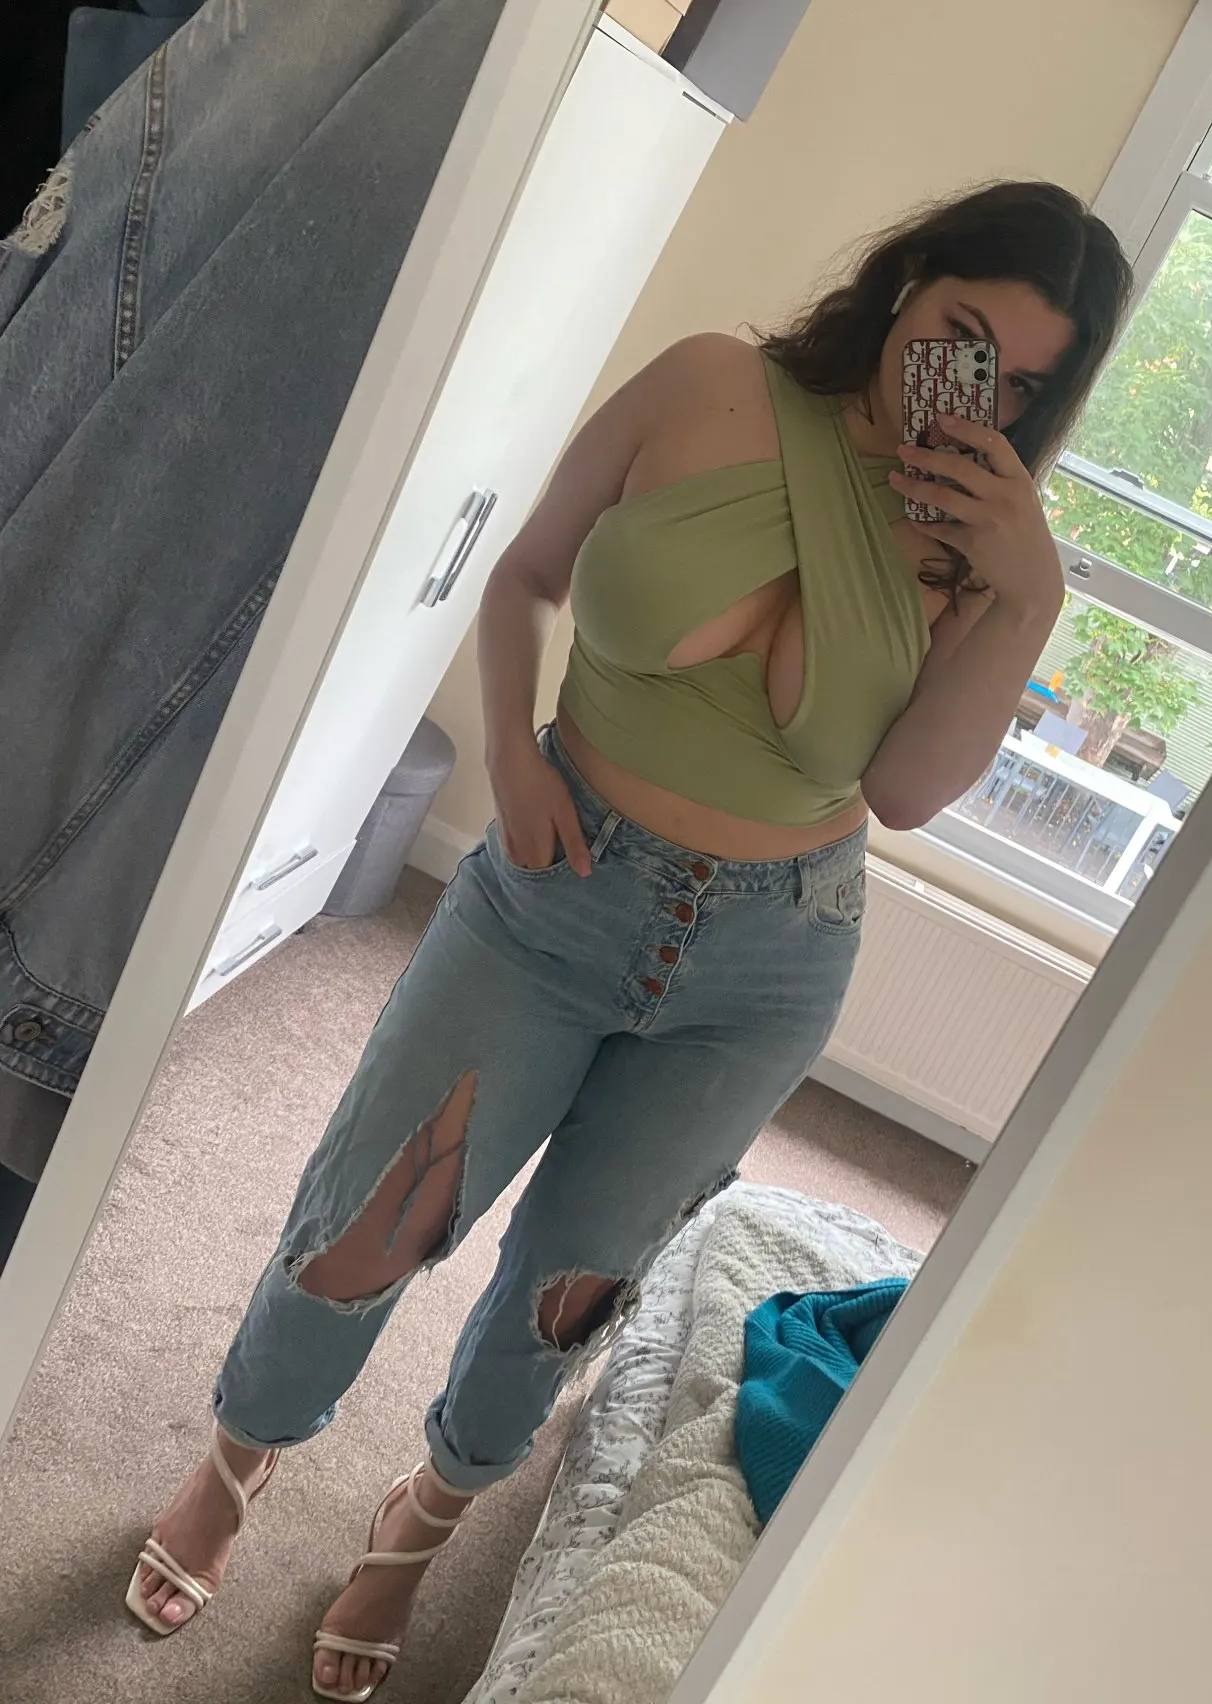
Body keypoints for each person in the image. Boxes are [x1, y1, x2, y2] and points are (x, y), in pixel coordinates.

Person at [128, 180, 1130, 1700]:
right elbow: (527, 574)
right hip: (555, 885)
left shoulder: (976, 552)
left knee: (577, 1284)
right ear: (910, 278)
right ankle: (239, 1458)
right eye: (964, 332)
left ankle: (420, 1524)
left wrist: (1026, 596)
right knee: (375, 1215)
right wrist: (510, 756)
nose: (975, 386)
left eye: (1022, 382)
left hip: (767, 962)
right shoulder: (710, 384)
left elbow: (908, 793)